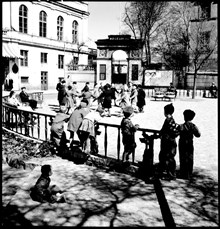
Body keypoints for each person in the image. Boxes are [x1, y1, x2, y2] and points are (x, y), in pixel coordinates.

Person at [158, 103, 179, 180]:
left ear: (165, 112)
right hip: (166, 142)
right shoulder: (168, 120)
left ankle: (171, 174)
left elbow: (174, 132)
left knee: (169, 158)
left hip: (169, 143)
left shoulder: (170, 121)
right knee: (164, 157)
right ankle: (166, 172)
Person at [178, 109, 201, 179]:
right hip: (189, 143)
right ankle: (189, 173)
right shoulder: (193, 126)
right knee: (190, 158)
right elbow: (198, 135)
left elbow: (176, 133)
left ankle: (183, 173)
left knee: (182, 158)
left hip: (182, 143)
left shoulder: (181, 126)